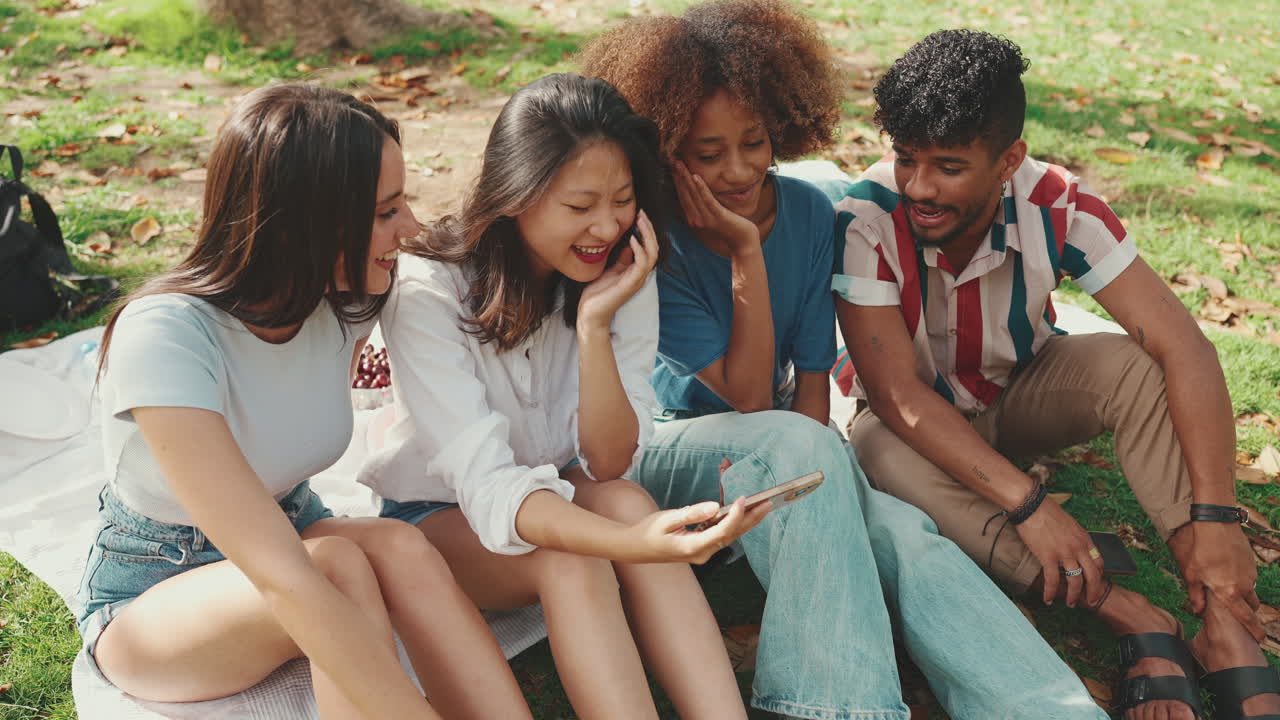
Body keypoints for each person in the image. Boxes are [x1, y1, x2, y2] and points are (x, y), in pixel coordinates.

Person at [580, 3, 1108, 719]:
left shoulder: (805, 212)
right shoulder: (657, 238)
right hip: (664, 450)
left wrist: (830, 483)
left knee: (903, 533)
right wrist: (742, 252)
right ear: (667, 147)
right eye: (707, 154)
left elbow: (808, 383)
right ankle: (831, 705)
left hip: (780, 448)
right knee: (804, 449)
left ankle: (1048, 709)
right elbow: (742, 395)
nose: (737, 170)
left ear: (781, 129)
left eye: (755, 142)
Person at [836, 28, 1278, 720]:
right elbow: (896, 395)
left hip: (1021, 394)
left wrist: (1216, 517)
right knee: (872, 449)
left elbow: (1185, 345)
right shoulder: (864, 217)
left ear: (1008, 158)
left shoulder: (1060, 205)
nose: (919, 187)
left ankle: (1224, 624)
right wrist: (1029, 505)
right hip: (910, 428)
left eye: (948, 167)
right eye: (906, 159)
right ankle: (1133, 616)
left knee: (1136, 365)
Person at [75, 84, 531, 719]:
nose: (412, 228)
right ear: (302, 224)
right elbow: (282, 575)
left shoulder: (340, 302)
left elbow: (481, 275)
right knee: (334, 566)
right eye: (386, 211)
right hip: (154, 590)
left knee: (398, 547)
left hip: (297, 527)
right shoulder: (165, 335)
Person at [357, 72, 768, 720]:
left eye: (623, 200)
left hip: (562, 490)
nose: (605, 226)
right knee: (574, 561)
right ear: (518, 194)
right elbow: (489, 488)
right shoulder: (428, 291)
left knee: (628, 501)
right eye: (580, 206)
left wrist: (597, 327)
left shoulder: (620, 270)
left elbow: (607, 463)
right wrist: (638, 544)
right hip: (443, 522)